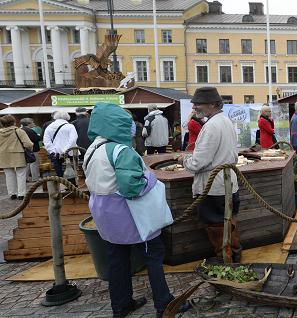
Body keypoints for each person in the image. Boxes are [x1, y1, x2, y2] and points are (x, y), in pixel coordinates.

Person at [82, 103, 188, 318]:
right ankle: (164, 303)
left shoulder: (93, 148)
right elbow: (132, 188)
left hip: (104, 212)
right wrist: (150, 178)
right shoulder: (122, 151)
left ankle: (121, 305)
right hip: (130, 214)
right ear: (118, 125)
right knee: (153, 256)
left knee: (117, 259)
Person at [178, 87, 242, 262]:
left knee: (217, 226)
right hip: (227, 183)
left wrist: (183, 160)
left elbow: (198, 163)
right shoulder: (225, 121)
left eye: (199, 104)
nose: (195, 107)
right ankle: (234, 258)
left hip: (214, 187)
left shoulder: (211, 126)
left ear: (213, 104)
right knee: (228, 223)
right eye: (194, 104)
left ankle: (226, 263)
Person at [0, 115, 33, 200]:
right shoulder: (19, 131)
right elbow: (28, 144)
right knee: (21, 174)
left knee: (8, 175)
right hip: (18, 154)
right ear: (13, 122)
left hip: (3, 155)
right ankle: (21, 194)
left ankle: (12, 194)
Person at [43, 111, 78, 177]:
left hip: (55, 154)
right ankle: (73, 185)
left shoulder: (49, 127)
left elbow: (46, 141)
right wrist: (64, 151)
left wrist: (54, 151)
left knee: (60, 173)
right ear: (67, 117)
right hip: (70, 153)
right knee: (73, 173)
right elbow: (73, 140)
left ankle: (62, 184)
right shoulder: (70, 126)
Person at [20, 118, 41, 182]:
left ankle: (25, 178)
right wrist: (38, 136)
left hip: (24, 149)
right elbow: (36, 138)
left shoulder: (21, 130)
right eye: (32, 122)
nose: (34, 124)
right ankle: (35, 178)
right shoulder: (29, 130)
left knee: (27, 165)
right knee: (34, 164)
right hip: (32, 149)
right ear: (28, 124)